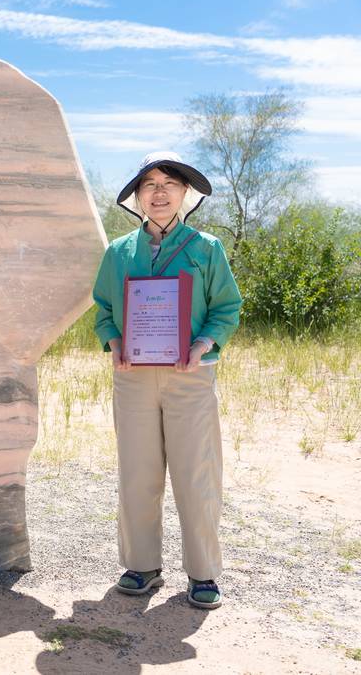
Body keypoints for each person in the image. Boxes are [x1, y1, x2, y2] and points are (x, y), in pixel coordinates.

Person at [92, 152, 242, 610]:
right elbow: (104, 309)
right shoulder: (118, 252)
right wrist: (114, 341)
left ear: (184, 193)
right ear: (138, 196)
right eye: (149, 184)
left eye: (169, 183)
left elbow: (226, 308)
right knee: (137, 472)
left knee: (196, 473)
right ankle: (142, 565)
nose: (159, 193)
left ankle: (203, 572)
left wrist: (203, 344)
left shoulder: (207, 248)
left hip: (190, 376)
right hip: (132, 377)